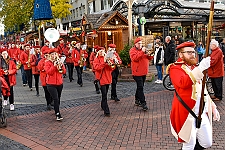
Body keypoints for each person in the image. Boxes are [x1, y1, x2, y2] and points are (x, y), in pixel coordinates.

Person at [168, 41, 220, 149]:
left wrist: (213, 106)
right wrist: (200, 68)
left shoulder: (194, 67)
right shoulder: (175, 68)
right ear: (181, 54)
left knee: (207, 142)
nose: (193, 54)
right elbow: (183, 82)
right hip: (186, 113)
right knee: (188, 144)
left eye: (193, 52)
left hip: (201, 111)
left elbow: (203, 90)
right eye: (189, 52)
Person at [129, 37, 153, 111]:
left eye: (141, 43)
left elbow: (149, 58)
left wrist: (150, 54)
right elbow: (135, 58)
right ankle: (143, 103)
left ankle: (137, 99)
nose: (140, 45)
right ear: (135, 44)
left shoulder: (143, 49)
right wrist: (142, 52)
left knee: (140, 86)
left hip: (144, 72)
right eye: (139, 43)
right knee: (140, 87)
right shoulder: (132, 50)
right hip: (137, 72)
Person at [44, 48, 66, 121]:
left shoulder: (59, 61)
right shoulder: (47, 62)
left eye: (55, 54)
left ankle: (57, 109)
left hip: (59, 83)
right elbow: (49, 72)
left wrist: (61, 65)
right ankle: (57, 113)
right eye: (52, 54)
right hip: (51, 84)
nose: (54, 55)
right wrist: (54, 66)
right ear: (50, 55)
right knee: (55, 99)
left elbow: (64, 71)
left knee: (58, 98)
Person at [93, 47, 114, 117]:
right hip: (101, 78)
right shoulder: (96, 59)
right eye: (100, 51)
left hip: (108, 78)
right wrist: (104, 63)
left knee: (105, 94)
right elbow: (97, 68)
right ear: (98, 52)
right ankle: (106, 110)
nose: (102, 52)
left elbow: (112, 68)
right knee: (104, 94)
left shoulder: (107, 58)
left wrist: (110, 62)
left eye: (103, 51)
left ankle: (103, 104)